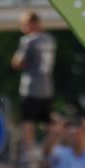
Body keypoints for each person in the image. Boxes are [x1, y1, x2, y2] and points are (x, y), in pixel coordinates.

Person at [11, 11, 56, 153]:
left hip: (31, 87)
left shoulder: (28, 40)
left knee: (28, 122)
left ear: (31, 23)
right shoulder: (50, 39)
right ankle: (49, 151)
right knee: (47, 123)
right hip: (47, 87)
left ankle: (29, 153)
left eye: (24, 24)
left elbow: (17, 62)